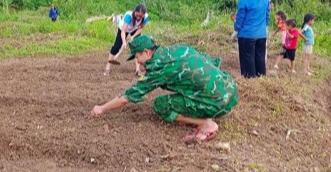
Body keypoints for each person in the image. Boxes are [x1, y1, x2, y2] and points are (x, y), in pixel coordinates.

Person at [92, 35, 238, 142]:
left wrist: (102, 108)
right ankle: (203, 110)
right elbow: (211, 62)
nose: (137, 62)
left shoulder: (158, 69)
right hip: (231, 91)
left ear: (148, 52)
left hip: (219, 104)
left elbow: (127, 97)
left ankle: (206, 123)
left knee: (160, 105)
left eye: (137, 57)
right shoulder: (178, 49)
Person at [233, 0, 270, 78]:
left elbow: (240, 20)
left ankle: (250, 80)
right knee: (260, 58)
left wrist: (236, 29)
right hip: (262, 35)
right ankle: (261, 78)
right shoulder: (265, 1)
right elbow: (267, 17)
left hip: (247, 35)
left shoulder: (243, 1)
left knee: (247, 59)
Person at [103, 4, 149, 77]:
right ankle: (107, 68)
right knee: (116, 47)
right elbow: (123, 31)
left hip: (135, 29)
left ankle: (137, 70)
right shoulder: (128, 16)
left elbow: (141, 28)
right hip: (123, 29)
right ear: (134, 12)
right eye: (137, 15)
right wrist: (124, 42)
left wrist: (133, 36)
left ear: (143, 15)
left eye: (140, 16)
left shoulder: (145, 17)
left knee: (138, 48)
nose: (138, 17)